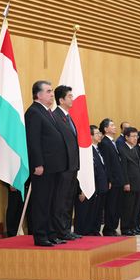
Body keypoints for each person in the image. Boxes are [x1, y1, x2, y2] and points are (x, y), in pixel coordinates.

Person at [25, 80, 68, 246]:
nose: (52, 94)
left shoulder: (48, 112)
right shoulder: (34, 112)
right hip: (43, 167)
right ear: (38, 94)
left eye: (51, 91)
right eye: (49, 91)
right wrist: (37, 164)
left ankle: (50, 233)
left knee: (51, 201)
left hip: (54, 166)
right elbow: (33, 141)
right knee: (42, 201)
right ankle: (41, 236)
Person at [52, 85, 81, 240]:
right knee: (60, 200)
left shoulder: (68, 117)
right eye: (70, 96)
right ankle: (59, 231)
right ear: (61, 99)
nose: (72, 98)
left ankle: (67, 229)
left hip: (72, 166)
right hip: (62, 167)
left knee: (69, 199)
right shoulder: (55, 116)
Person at [74, 125, 109, 236]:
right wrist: (81, 190)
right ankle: (83, 232)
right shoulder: (85, 151)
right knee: (84, 212)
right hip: (87, 186)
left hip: (99, 186)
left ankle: (94, 230)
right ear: (90, 136)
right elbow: (81, 171)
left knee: (97, 211)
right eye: (97, 133)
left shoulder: (99, 149)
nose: (100, 135)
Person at [98, 118, 126, 236]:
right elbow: (107, 164)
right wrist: (109, 179)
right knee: (111, 206)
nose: (115, 127)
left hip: (119, 179)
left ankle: (113, 227)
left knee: (117, 206)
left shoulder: (112, 142)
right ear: (105, 129)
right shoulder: (104, 143)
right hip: (113, 180)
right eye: (112, 125)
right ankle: (108, 229)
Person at [118, 127, 140, 236]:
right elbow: (123, 168)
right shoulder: (122, 149)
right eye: (132, 136)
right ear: (126, 137)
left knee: (135, 206)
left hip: (137, 181)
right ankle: (126, 228)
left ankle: (133, 226)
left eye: (136, 136)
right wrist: (126, 182)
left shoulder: (135, 148)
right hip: (129, 183)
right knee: (128, 207)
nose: (135, 138)